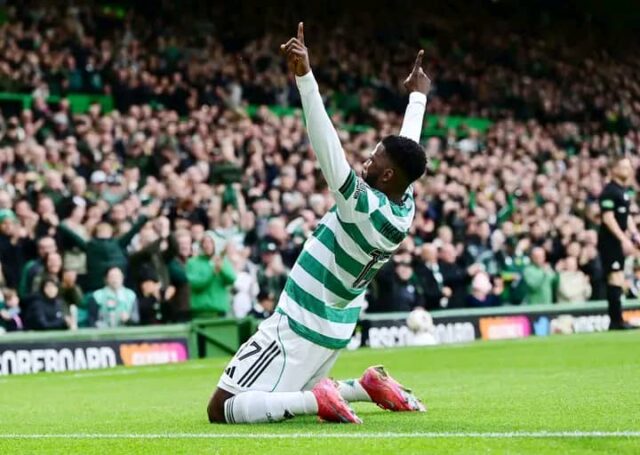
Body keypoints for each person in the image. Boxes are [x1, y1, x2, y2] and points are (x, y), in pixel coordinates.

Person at [207, 24, 427, 425]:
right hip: (335, 324)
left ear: (387, 176)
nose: (367, 159)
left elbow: (326, 146)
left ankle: (318, 400)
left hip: (298, 320)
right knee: (285, 395)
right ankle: (366, 388)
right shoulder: (403, 203)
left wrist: (305, 78)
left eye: (374, 159)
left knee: (222, 408)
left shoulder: (361, 205)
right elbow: (407, 149)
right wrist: (417, 98)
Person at [598, 157, 639, 330]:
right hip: (609, 241)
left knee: (619, 278)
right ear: (614, 169)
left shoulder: (624, 192)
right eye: (623, 167)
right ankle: (616, 321)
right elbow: (608, 218)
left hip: (618, 240)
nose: (627, 170)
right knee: (614, 277)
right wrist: (624, 239)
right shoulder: (609, 191)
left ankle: (617, 319)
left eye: (628, 167)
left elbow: (626, 216)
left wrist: (635, 234)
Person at [186, 232, 237, 318]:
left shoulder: (222, 261)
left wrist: (222, 269)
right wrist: (212, 273)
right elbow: (194, 283)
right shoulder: (192, 262)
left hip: (219, 311)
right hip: (200, 312)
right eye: (205, 242)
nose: (207, 245)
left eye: (210, 242)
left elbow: (232, 279)